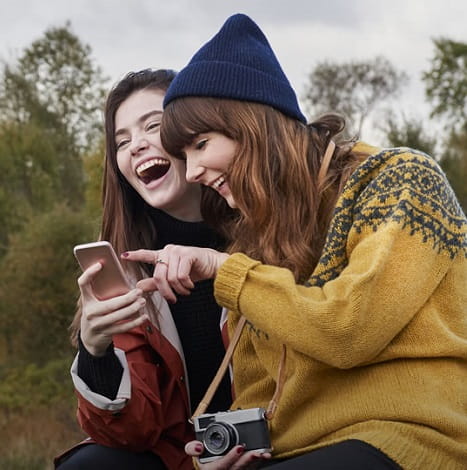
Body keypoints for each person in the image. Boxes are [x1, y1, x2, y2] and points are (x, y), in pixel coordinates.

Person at [123, 14, 467, 470]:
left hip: (407, 433)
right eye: (184, 155)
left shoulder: (399, 180)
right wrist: (230, 447)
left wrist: (225, 271)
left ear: (252, 124)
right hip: (297, 448)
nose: (192, 172)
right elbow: (259, 387)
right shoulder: (255, 237)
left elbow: (351, 329)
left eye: (201, 144)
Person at [55, 69, 232, 470]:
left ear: (195, 133)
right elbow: (131, 433)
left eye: (153, 126)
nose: (136, 146)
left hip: (278, 442)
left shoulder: (267, 237)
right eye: (121, 141)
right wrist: (95, 352)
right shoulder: (125, 273)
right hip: (185, 460)